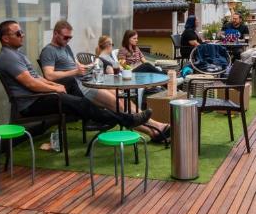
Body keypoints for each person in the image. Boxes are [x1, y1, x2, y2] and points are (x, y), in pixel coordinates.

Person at [0, 20, 149, 133]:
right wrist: (56, 88)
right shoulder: (8, 57)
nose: (23, 35)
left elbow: (36, 78)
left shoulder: (17, 54)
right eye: (18, 33)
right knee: (84, 103)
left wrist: (56, 87)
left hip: (44, 95)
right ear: (5, 38)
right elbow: (32, 84)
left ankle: (114, 119)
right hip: (30, 104)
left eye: (22, 31)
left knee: (89, 100)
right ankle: (123, 120)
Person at [40, 20, 170, 141]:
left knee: (122, 99)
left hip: (87, 80)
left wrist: (84, 67)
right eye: (65, 37)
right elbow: (49, 75)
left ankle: (156, 126)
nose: (68, 40)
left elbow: (75, 65)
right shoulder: (49, 51)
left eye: (70, 37)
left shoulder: (65, 48)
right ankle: (153, 131)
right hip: (78, 88)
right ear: (55, 33)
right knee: (117, 105)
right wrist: (75, 71)